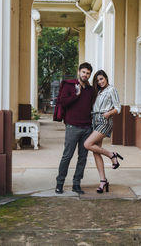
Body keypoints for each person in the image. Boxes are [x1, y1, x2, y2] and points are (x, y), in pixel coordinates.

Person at [55, 62, 95, 194]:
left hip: (87, 128)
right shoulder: (69, 86)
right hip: (72, 127)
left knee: (82, 158)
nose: (85, 75)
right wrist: (76, 95)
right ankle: (59, 183)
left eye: (88, 73)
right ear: (79, 72)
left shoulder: (90, 90)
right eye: (83, 72)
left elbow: (92, 107)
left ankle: (76, 184)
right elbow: (62, 102)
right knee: (67, 156)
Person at [83, 70, 123, 194]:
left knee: (87, 144)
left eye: (102, 79)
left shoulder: (112, 89)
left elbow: (118, 108)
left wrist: (108, 114)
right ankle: (103, 180)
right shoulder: (98, 92)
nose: (100, 82)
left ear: (106, 78)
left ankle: (112, 155)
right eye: (98, 80)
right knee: (95, 151)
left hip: (104, 120)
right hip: (95, 120)